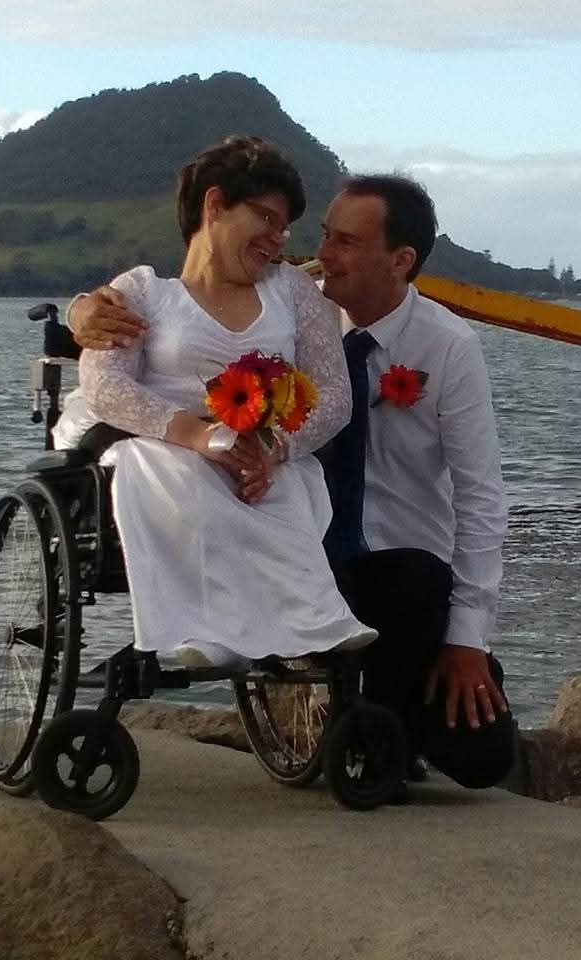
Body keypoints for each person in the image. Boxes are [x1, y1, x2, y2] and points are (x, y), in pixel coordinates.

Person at [68, 172, 515, 791]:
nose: (320, 255)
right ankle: (366, 726)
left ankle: (414, 692)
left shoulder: (448, 347)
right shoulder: (294, 305)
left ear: (402, 260)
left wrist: (466, 638)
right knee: (383, 765)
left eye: (346, 244)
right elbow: (179, 310)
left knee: (482, 758)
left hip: (391, 572)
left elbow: (482, 497)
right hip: (290, 541)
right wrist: (82, 309)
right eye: (324, 236)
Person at [52, 135, 376, 671]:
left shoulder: (291, 292)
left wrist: (274, 449)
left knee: (290, 484)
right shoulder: (144, 294)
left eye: (284, 227)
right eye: (267, 219)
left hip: (259, 449)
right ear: (215, 204)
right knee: (167, 467)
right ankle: (197, 629)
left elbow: (336, 394)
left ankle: (317, 622)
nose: (278, 238)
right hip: (163, 440)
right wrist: (200, 435)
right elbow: (105, 385)